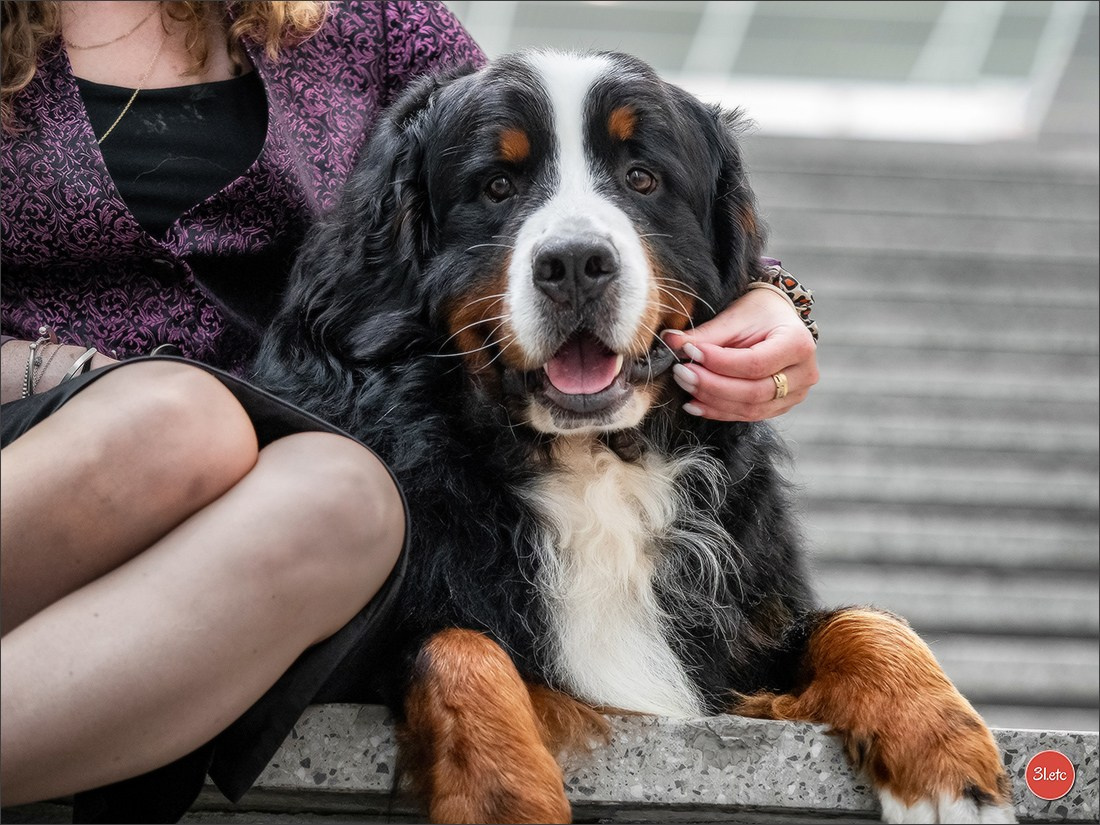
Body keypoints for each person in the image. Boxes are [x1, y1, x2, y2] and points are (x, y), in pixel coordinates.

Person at [0, 1, 819, 820]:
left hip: (279, 479)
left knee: (347, 500)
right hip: (63, 446)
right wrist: (67, 375)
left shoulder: (363, 17)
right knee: (179, 422)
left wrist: (769, 293)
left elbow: (548, 139)